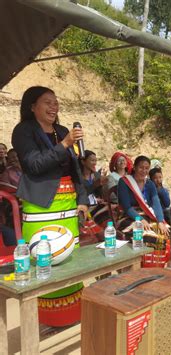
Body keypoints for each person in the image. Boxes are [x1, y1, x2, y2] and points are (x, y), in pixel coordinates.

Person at [11, 86, 88, 327]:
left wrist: (83, 200)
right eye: (47, 102)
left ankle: (72, 313)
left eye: (56, 102)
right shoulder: (24, 131)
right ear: (32, 106)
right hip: (41, 206)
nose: (54, 106)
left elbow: (76, 170)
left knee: (70, 258)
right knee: (44, 258)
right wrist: (64, 144)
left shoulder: (62, 131)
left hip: (68, 203)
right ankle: (46, 318)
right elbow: (34, 165)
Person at [117, 155, 169, 236]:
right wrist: (141, 220)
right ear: (134, 167)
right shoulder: (124, 182)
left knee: (167, 232)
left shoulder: (149, 183)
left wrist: (160, 221)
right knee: (147, 235)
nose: (144, 171)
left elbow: (156, 203)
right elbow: (126, 207)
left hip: (147, 214)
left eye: (146, 168)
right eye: (141, 167)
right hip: (129, 216)